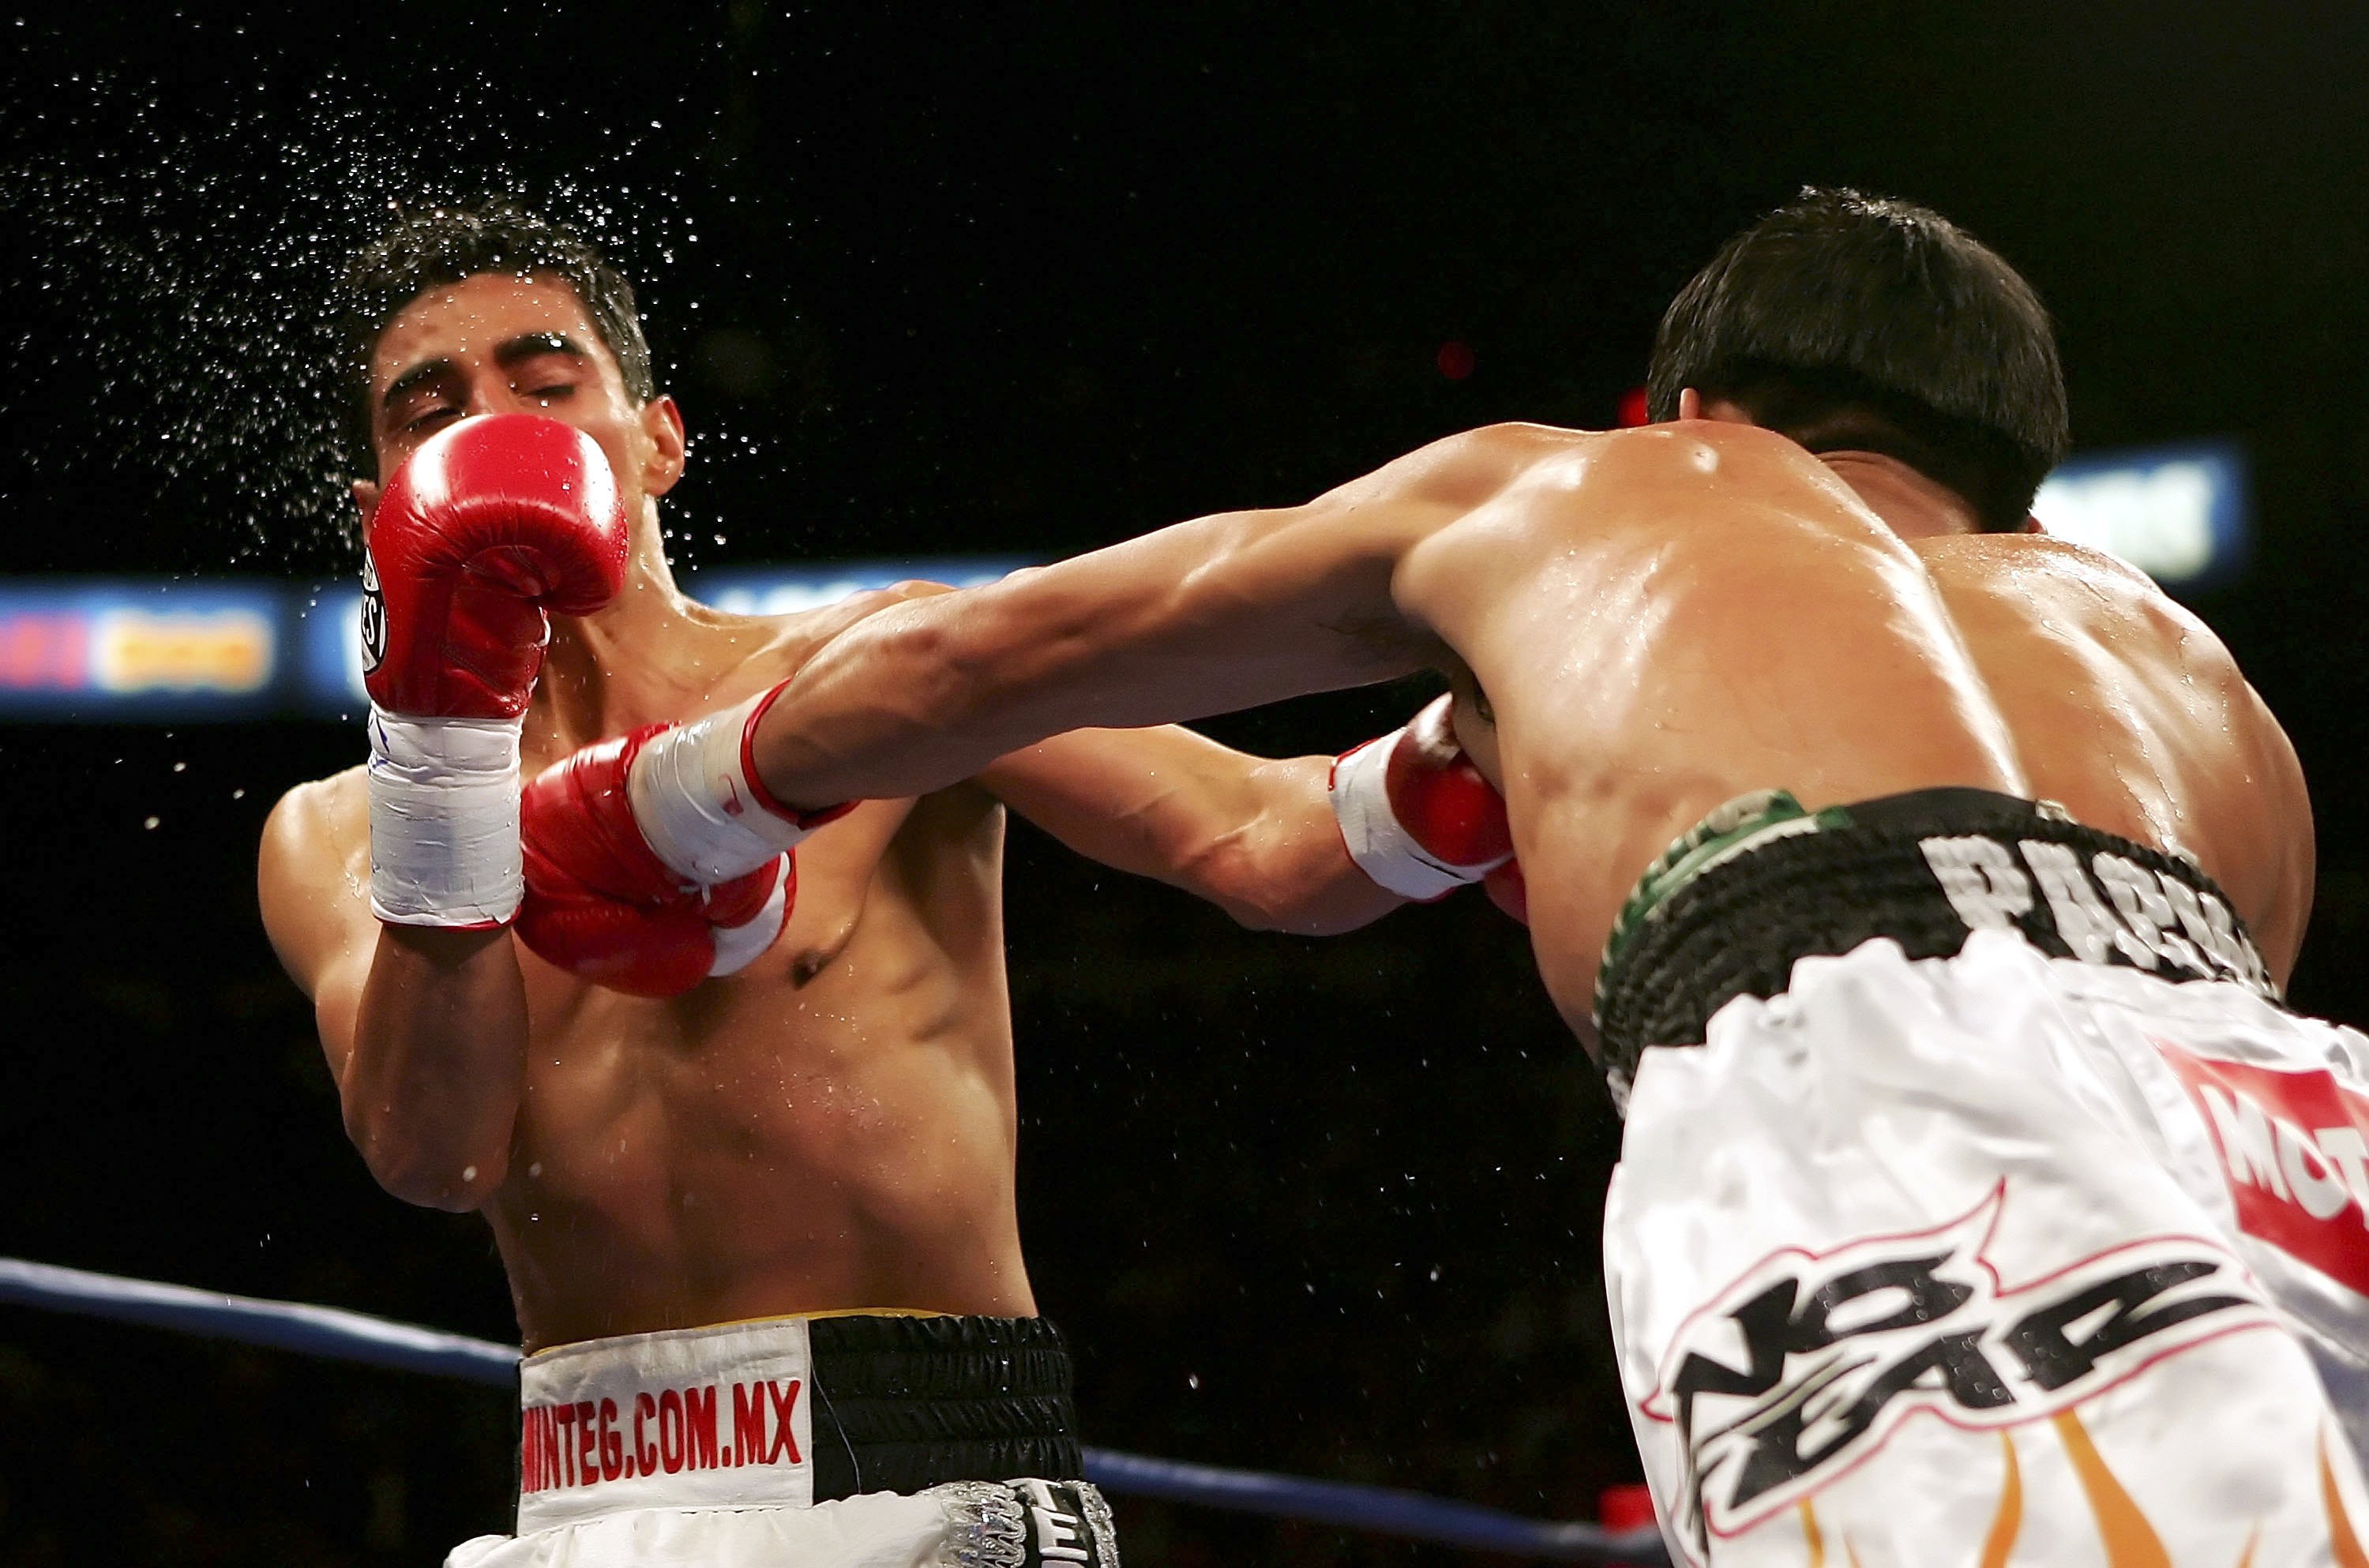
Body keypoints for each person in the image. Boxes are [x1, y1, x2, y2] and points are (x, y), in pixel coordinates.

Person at [562, 188, 2369, 1559]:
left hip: (1893, 1118)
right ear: (2023, 484)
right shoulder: (2201, 688)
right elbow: (2091, 1009)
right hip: (2274, 1096)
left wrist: (666, 807)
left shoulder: (1597, 496)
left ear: (1691, 408)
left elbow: (968, 664)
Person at [255, 206, 1515, 1568]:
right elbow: (432, 1154)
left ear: (661, 439)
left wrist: (1490, 752)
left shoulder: (878, 676)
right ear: (385, 500)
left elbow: (1262, 843)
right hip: (587, 1496)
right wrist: (444, 751)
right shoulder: (341, 836)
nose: (494, 427)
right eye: (427, 410)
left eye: (547, 384)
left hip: (925, 1480)